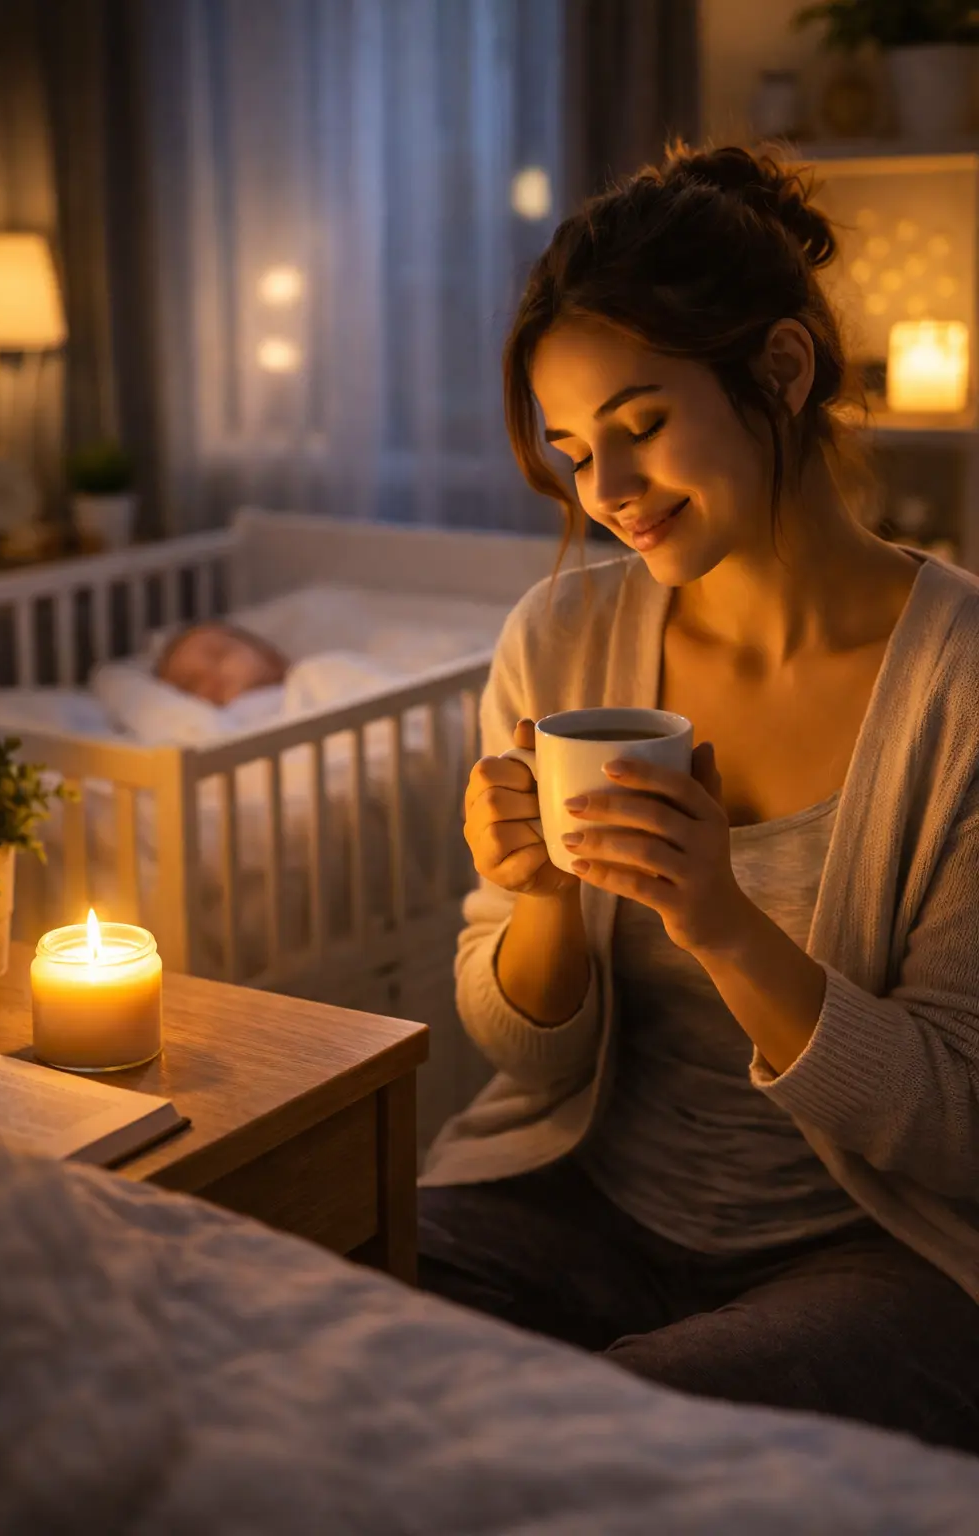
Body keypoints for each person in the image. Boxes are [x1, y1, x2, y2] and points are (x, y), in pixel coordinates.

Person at [416, 142, 979, 1456]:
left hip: (885, 1254)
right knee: (344, 1318)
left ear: (780, 370)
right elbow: (531, 1056)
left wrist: (722, 922)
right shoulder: (557, 646)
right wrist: (540, 901)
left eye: (640, 425)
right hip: (582, 1203)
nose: (602, 495)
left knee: (602, 1433)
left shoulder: (958, 692)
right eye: (568, 451)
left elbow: (959, 1123)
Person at [155, 621, 288, 706]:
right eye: (191, 684)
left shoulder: (303, 680)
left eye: (217, 655)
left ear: (268, 655)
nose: (212, 679)